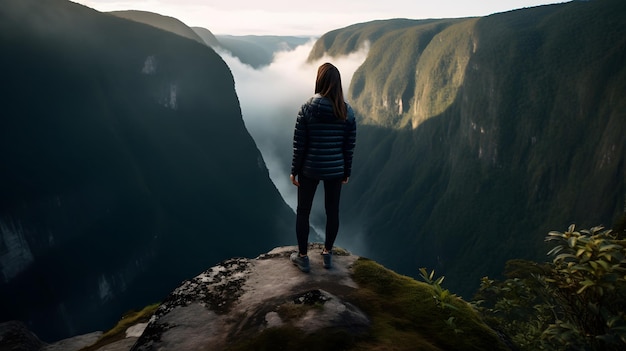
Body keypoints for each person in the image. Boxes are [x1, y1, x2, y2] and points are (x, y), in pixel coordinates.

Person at [289, 62, 357, 272]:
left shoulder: (307, 108)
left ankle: (303, 257)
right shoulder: (347, 112)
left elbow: (299, 144)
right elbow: (349, 146)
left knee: (303, 212)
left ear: (319, 81)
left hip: (310, 168)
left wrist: (294, 170)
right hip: (335, 169)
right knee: (332, 211)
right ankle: (328, 253)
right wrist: (346, 171)